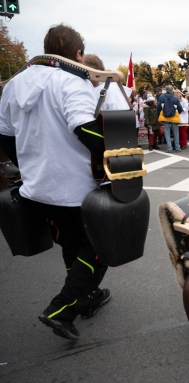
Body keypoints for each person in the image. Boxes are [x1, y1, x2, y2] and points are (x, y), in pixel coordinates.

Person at [0, 24, 111, 340]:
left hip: (37, 187)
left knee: (72, 244)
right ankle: (64, 307)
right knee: (101, 247)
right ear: (78, 54)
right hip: (75, 188)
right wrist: (109, 162)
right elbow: (84, 129)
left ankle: (86, 298)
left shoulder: (14, 84)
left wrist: (27, 165)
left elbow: (4, 135)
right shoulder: (71, 82)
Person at [157, 85, 183, 153]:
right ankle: (177, 147)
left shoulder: (161, 97)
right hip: (174, 116)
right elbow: (180, 108)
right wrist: (178, 113)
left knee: (167, 133)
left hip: (165, 116)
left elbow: (158, 107)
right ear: (172, 90)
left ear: (165, 90)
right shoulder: (175, 98)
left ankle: (169, 148)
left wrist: (158, 115)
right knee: (175, 133)